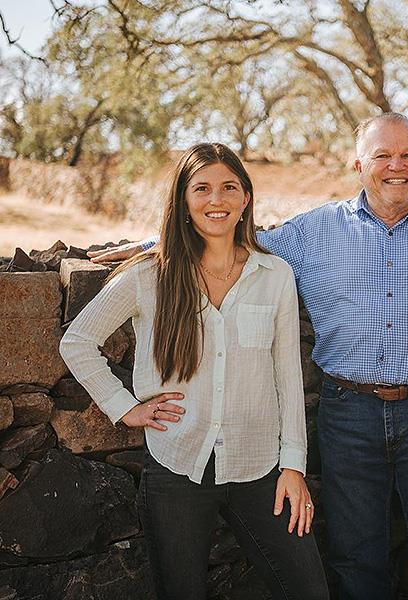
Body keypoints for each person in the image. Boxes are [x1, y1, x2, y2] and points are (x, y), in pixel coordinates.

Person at [89, 114, 408, 600]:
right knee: (356, 558)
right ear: (358, 165)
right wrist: (151, 247)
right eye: (382, 155)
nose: (396, 166)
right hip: (348, 412)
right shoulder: (316, 231)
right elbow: (232, 237)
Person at [60, 143, 329, 600]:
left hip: (260, 468)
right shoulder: (149, 275)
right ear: (183, 200)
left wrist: (293, 468)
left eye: (229, 187)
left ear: (246, 197)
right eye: (201, 188)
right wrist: (125, 408)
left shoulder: (275, 275)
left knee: (308, 590)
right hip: (177, 466)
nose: (216, 200)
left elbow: (287, 376)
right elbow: (78, 341)